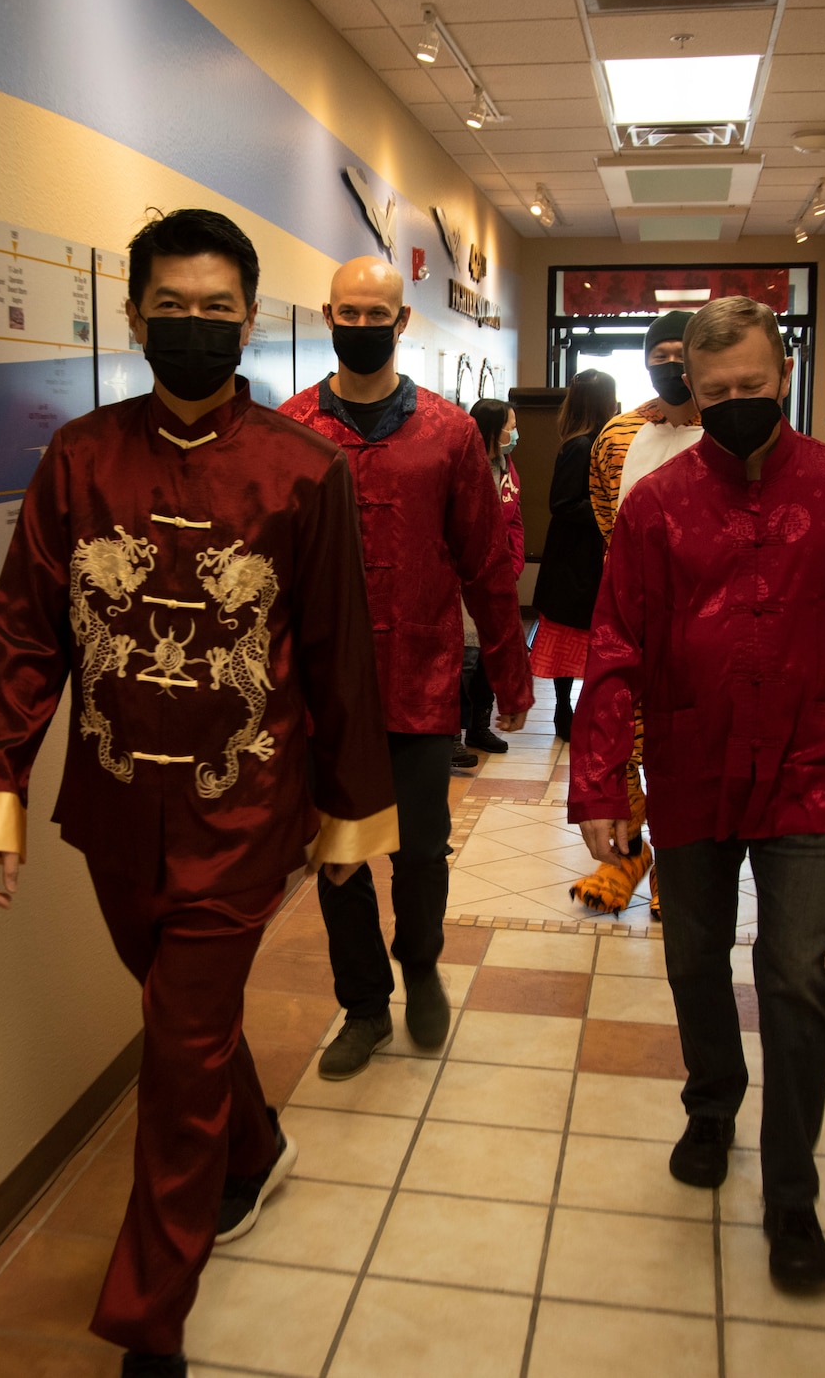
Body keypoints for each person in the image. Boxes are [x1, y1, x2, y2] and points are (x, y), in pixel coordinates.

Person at [0, 209, 398, 1378]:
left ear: (251, 320)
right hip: (109, 803)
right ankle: (252, 1151)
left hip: (241, 804)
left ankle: (148, 1317)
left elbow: (342, 654)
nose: (193, 327)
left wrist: (350, 820)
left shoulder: (305, 472)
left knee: (180, 1041)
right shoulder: (79, 458)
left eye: (217, 310)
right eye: (172, 308)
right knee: (177, 1016)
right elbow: (23, 635)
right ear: (135, 313)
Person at [569, 296, 825, 1293]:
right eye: (716, 390)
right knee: (692, 951)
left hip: (808, 769)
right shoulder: (654, 506)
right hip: (692, 764)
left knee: (792, 971)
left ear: (782, 379)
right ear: (692, 390)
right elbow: (613, 643)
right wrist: (602, 776)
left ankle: (791, 1196)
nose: (736, 403)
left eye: (752, 387)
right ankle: (711, 1102)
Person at [280, 259, 532, 1081]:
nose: (361, 323)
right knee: (339, 854)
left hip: (422, 681)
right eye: (347, 311)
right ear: (327, 315)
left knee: (421, 850)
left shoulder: (451, 434)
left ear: (402, 320)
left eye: (376, 311)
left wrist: (510, 671)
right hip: (326, 693)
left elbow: (485, 562)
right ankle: (363, 1006)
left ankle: (419, 961)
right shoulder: (291, 428)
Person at [569, 310, 704, 916]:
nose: (671, 364)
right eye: (661, 353)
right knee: (614, 744)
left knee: (682, 755)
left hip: (702, 625)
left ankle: (674, 868)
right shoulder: (616, 437)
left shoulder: (723, 431)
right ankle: (625, 856)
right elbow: (605, 515)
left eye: (684, 353)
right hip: (626, 618)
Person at [529, 368, 618, 744]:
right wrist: (609, 510)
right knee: (571, 638)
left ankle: (575, 711)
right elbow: (562, 503)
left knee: (585, 639)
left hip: (584, 556)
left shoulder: (597, 441)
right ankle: (565, 710)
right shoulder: (581, 445)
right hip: (574, 560)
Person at [459, 397, 524, 761]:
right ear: (491, 428)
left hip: (497, 577)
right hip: (463, 579)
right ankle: (452, 732)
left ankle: (480, 728)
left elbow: (515, 521)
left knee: (487, 655)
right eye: (510, 425)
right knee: (460, 657)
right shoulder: (465, 465)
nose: (515, 433)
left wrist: (512, 566)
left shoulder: (508, 466)